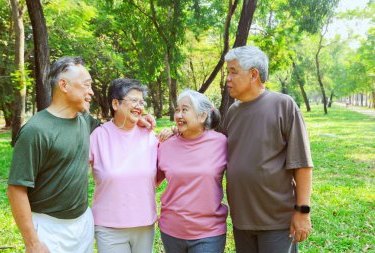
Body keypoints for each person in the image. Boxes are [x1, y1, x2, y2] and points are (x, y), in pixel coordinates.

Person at [224, 45, 313, 253]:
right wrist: (174, 130)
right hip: (242, 221)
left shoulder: (284, 105)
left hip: (277, 223)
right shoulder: (232, 111)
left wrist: (303, 211)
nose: (227, 78)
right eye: (227, 72)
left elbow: (302, 165)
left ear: (254, 74)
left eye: (233, 71)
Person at [7, 56, 99, 253]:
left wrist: (138, 120)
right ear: (64, 85)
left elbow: (113, 130)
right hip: (49, 229)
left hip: (83, 222)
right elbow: (16, 189)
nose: (91, 92)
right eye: (86, 85)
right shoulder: (36, 130)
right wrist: (32, 242)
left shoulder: (83, 119)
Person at [89, 78, 161, 253]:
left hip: (144, 225)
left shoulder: (149, 135)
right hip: (109, 227)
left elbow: (161, 172)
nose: (140, 106)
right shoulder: (99, 136)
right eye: (134, 100)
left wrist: (172, 131)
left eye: (142, 102)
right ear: (115, 103)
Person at [157, 90, 228, 253]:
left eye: (185, 110)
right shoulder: (165, 145)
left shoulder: (221, 143)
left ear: (202, 116)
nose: (179, 115)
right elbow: (151, 179)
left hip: (209, 233)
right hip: (171, 230)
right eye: (177, 110)